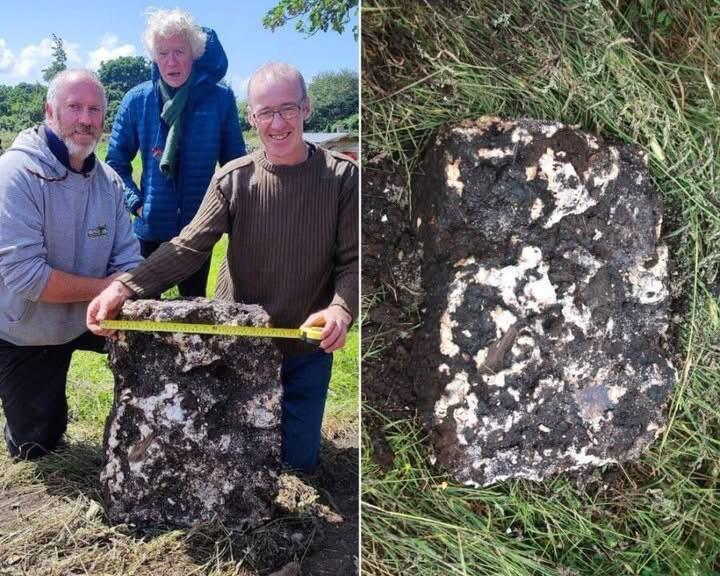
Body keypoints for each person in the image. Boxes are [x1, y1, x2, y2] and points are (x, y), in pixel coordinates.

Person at [88, 62, 358, 474]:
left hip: (307, 346)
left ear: (307, 108)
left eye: (287, 108)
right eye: (264, 112)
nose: (277, 123)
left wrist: (341, 308)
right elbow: (188, 246)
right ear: (251, 118)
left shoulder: (344, 177)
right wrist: (124, 287)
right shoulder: (233, 179)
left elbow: (355, 261)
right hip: (239, 343)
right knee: (238, 460)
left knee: (299, 464)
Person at [0, 69, 143, 459]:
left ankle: (148, 438)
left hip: (94, 314)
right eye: (74, 107)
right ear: (50, 111)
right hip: (28, 328)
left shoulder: (109, 181)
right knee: (34, 446)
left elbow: (131, 259)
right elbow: (27, 277)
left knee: (155, 342)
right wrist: (109, 287)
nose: (85, 118)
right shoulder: (15, 174)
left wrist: (120, 289)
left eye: (94, 109)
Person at [107, 8, 245, 298]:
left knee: (192, 312)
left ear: (193, 53)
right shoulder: (137, 100)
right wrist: (136, 203)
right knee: (141, 312)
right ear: (154, 57)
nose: (171, 61)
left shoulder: (220, 99)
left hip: (198, 231)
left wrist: (221, 214)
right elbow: (115, 163)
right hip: (149, 229)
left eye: (179, 51)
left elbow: (236, 165)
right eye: (163, 53)